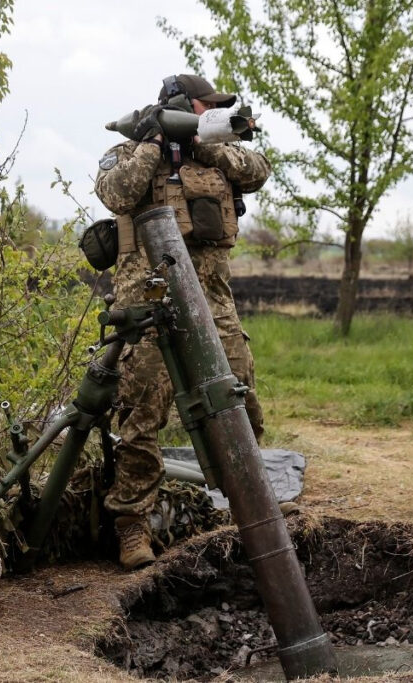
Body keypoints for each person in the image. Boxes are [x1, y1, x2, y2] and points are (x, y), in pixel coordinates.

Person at [94, 74, 271, 570]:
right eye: (202, 104)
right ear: (175, 102)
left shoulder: (222, 148)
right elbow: (117, 192)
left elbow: (257, 171)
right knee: (142, 416)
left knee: (241, 399)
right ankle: (132, 528)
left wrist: (201, 141)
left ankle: (252, 509)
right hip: (149, 303)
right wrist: (154, 142)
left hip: (214, 304)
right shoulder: (126, 151)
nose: (211, 110)